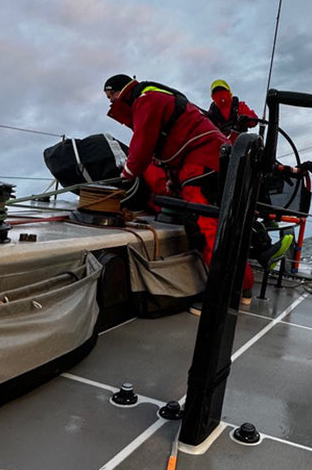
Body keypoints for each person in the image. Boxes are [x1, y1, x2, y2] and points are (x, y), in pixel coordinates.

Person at [103, 73, 255, 305]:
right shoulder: (154, 96)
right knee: (220, 223)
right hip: (212, 158)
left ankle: (224, 293)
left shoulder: (145, 100)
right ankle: (242, 286)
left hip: (201, 162)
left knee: (207, 226)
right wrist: (172, 179)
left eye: (110, 96)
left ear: (119, 91)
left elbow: (143, 144)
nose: (110, 102)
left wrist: (127, 173)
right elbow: (173, 140)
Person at [205, 79, 260, 143]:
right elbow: (204, 129)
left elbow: (254, 120)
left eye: (222, 90)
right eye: (216, 92)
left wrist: (246, 118)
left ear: (229, 91)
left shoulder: (239, 106)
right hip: (219, 145)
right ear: (212, 96)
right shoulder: (211, 113)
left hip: (240, 144)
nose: (220, 93)